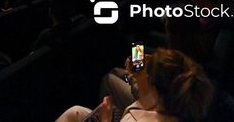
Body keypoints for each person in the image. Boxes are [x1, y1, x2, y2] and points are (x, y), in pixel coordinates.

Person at [55, 49, 214, 122]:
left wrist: (105, 119)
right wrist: (139, 76)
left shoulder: (135, 119)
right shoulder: (186, 104)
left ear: (156, 88)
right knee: (75, 112)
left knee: (72, 114)